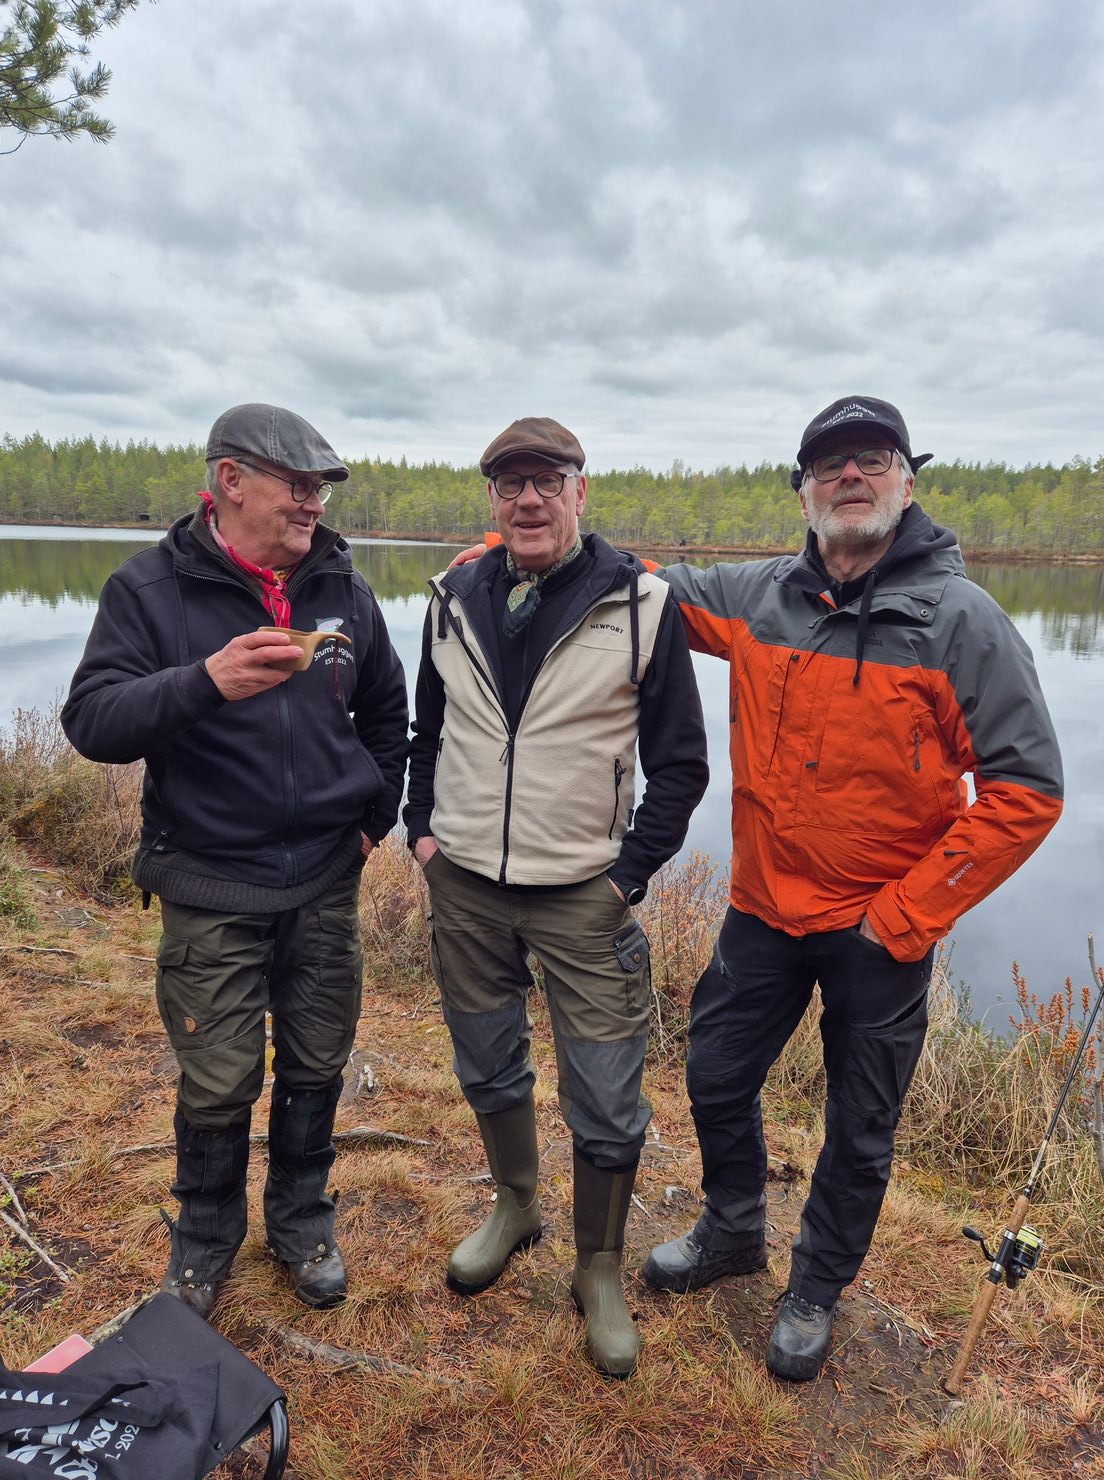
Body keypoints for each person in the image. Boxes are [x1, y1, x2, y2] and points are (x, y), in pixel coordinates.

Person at [639, 396, 1064, 1380]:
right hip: (762, 908)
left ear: (906, 483)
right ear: (804, 491)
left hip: (882, 929)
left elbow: (1027, 790)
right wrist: (532, 552)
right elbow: (642, 591)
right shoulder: (757, 595)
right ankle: (732, 1229)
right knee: (714, 1074)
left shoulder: (960, 620)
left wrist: (906, 914)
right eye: (830, 464)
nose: (851, 477)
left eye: (872, 459)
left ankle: (815, 1289)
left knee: (860, 1126)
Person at [62, 403, 409, 1319]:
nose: (314, 503)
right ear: (230, 481)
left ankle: (301, 1221)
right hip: (211, 878)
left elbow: (386, 712)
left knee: (318, 1057)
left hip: (324, 875)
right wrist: (204, 682)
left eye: (321, 488)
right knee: (217, 1076)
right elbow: (91, 721)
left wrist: (372, 818)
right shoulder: (150, 589)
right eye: (297, 484)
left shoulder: (343, 587)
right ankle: (205, 1239)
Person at [404, 416, 709, 1377]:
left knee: (609, 1093)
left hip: (584, 893)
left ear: (581, 490)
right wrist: (422, 831)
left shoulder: (643, 605)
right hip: (465, 883)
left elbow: (682, 767)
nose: (528, 499)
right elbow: (427, 731)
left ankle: (599, 1266)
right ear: (492, 499)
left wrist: (627, 874)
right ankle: (516, 1205)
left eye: (548, 481)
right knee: (487, 1058)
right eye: (510, 484)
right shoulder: (451, 598)